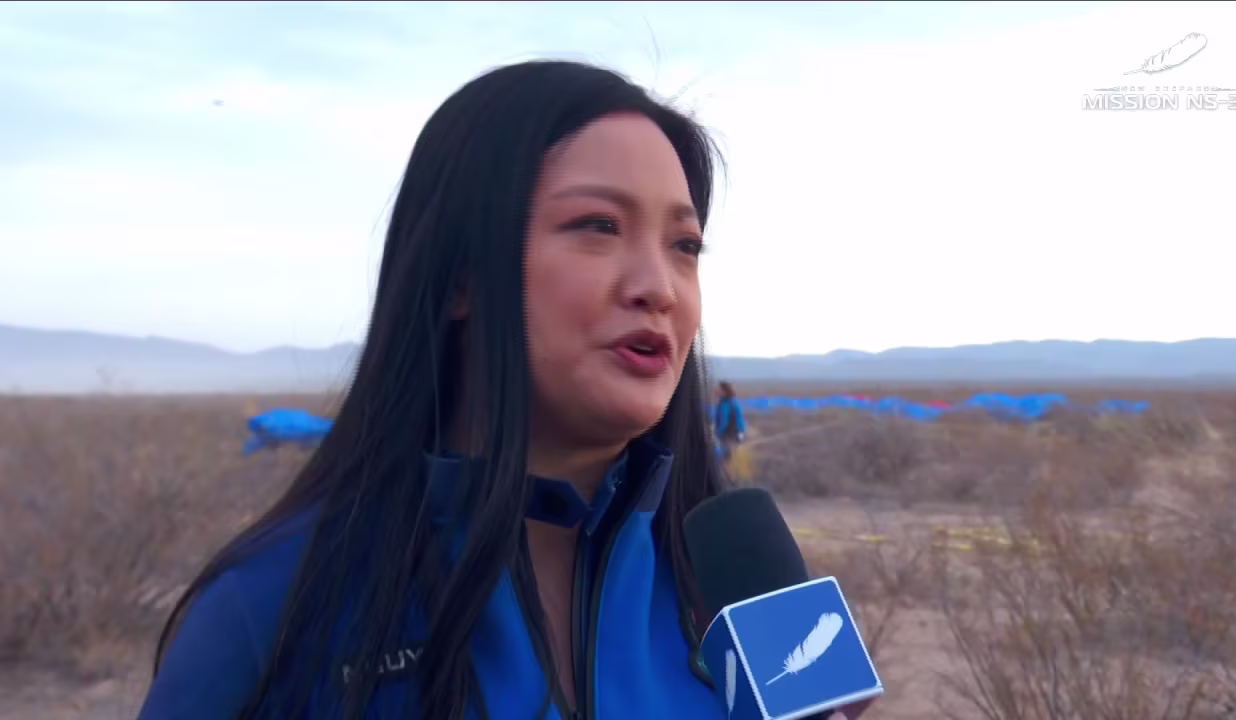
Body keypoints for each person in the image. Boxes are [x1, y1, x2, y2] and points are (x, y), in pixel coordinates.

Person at [138, 59, 857, 720]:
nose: (659, 288)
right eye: (599, 226)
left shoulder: (736, 585)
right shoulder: (274, 607)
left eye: (685, 246)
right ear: (461, 276)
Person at [713, 380, 748, 463]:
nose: (716, 390)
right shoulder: (733, 400)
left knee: (728, 456)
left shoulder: (726, 404)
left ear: (724, 391)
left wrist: (717, 434)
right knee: (733, 454)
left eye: (719, 389)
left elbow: (724, 422)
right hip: (737, 432)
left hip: (730, 433)